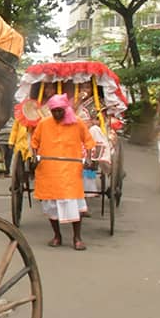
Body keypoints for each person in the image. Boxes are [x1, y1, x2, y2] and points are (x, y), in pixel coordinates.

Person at [31, 94, 95, 251]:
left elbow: (88, 141)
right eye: (54, 111)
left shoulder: (77, 123)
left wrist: (88, 158)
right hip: (49, 169)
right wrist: (34, 156)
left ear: (66, 109)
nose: (57, 114)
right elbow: (34, 142)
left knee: (73, 202)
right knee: (51, 205)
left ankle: (77, 238)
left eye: (60, 111)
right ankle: (57, 236)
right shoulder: (44, 123)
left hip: (70, 170)